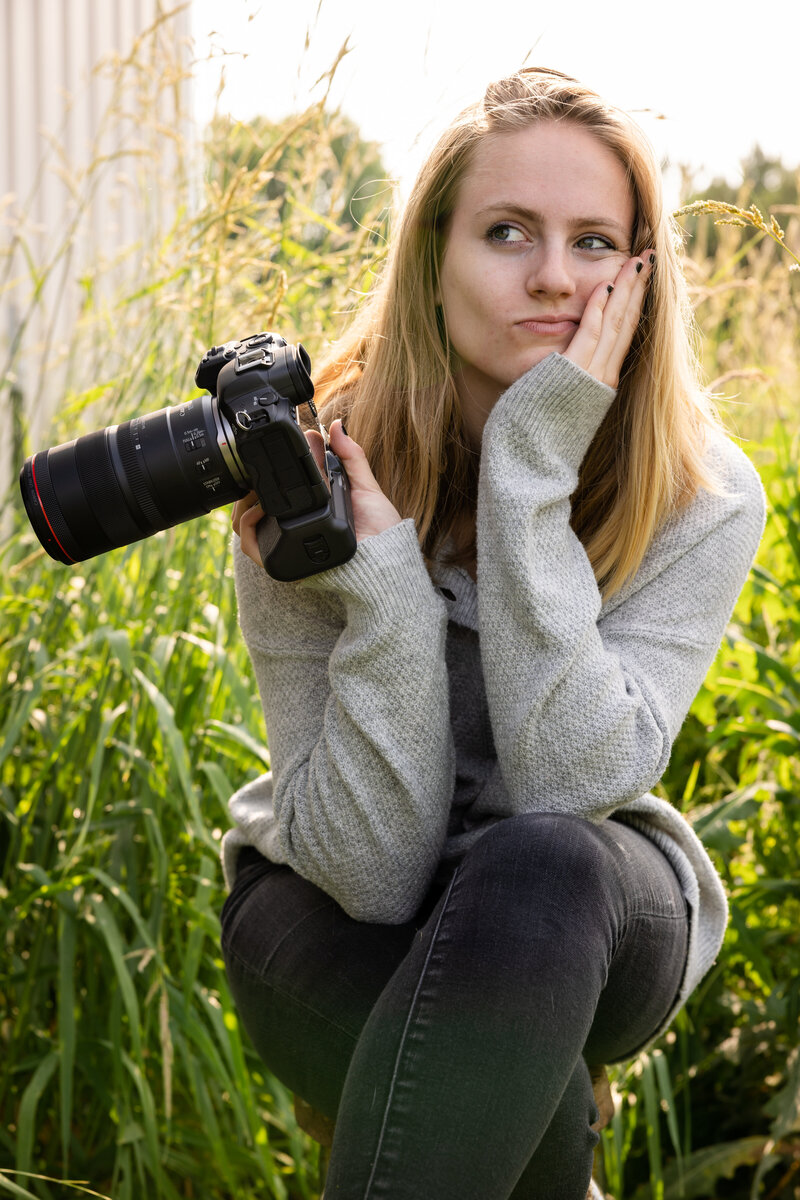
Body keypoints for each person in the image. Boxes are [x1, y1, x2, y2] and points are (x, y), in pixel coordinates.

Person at [219, 67, 766, 1199]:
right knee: (526, 1096)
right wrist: (380, 589)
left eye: (594, 241)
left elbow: (575, 783)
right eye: (507, 232)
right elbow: (370, 874)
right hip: (327, 910)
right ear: (430, 256)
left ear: (638, 272)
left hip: (591, 904)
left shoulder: (700, 492)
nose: (555, 277)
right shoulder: (310, 470)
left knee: (539, 859)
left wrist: (528, 471)